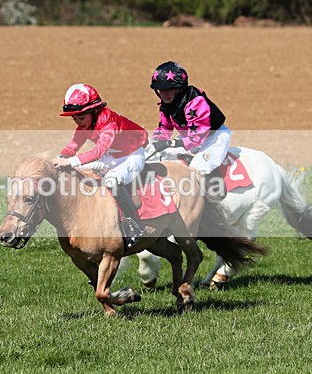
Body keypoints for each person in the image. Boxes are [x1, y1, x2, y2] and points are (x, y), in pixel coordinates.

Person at [52, 83, 148, 249]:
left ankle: (133, 223)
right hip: (112, 155)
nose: (77, 121)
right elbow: (74, 144)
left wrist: (71, 161)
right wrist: (61, 157)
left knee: (111, 180)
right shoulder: (85, 125)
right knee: (82, 170)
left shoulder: (109, 122)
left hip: (132, 156)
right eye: (74, 118)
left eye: (80, 117)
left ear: (94, 110)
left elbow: (98, 151)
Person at [147, 61, 231, 196]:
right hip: (190, 137)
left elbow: (197, 137)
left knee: (197, 170)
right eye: (161, 90)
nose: (164, 94)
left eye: (169, 89)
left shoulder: (195, 101)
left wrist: (171, 143)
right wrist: (154, 143)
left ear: (179, 88)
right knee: (159, 155)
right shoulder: (166, 104)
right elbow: (165, 128)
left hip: (213, 137)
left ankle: (212, 201)